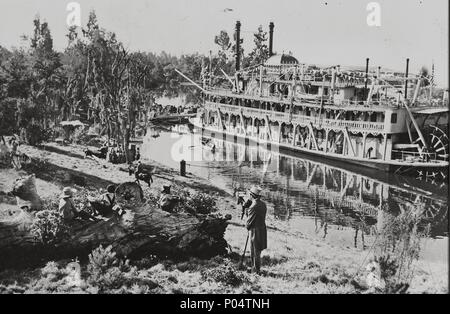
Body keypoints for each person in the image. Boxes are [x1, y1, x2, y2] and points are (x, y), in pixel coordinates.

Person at [245, 186, 267, 274]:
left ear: (252, 195)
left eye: (249, 194)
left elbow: (248, 223)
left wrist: (246, 209)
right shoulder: (263, 204)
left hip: (255, 231)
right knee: (258, 251)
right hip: (262, 229)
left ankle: (256, 271)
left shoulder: (253, 206)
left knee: (254, 251)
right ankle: (255, 269)